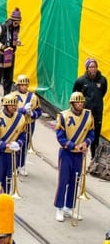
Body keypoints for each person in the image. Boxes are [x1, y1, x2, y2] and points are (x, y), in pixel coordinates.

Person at [54, 92, 95, 222]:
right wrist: (73, 146)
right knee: (63, 180)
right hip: (66, 153)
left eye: (81, 102)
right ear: (72, 103)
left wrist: (85, 143)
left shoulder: (88, 116)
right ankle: (59, 207)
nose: (80, 104)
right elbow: (60, 137)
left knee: (75, 181)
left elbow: (91, 134)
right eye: (77, 102)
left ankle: (69, 207)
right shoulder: (63, 116)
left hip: (79, 155)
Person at [0, 94, 26, 193]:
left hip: (12, 154)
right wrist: (6, 145)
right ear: (5, 105)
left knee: (8, 179)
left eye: (15, 105)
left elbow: (23, 135)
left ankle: (5, 199)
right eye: (11, 105)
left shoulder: (21, 118)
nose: (14, 107)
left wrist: (19, 143)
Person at [72, 58, 107, 159]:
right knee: (82, 135)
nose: (93, 69)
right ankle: (78, 155)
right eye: (91, 67)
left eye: (95, 67)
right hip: (84, 114)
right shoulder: (80, 81)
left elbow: (103, 92)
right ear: (87, 68)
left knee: (95, 137)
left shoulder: (102, 80)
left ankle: (93, 159)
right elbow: (75, 95)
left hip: (97, 113)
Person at [0, 8, 22, 110]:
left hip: (10, 56)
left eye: (19, 22)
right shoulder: (2, 28)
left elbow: (14, 39)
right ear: (11, 20)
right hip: (1, 55)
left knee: (8, 79)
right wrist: (1, 46)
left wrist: (17, 42)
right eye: (16, 22)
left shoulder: (16, 29)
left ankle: (7, 100)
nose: (17, 24)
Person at [12, 74, 42, 176]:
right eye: (22, 85)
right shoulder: (13, 96)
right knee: (15, 144)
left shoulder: (33, 97)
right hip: (16, 123)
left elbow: (39, 111)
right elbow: (11, 110)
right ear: (18, 85)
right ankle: (13, 165)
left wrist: (33, 114)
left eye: (26, 85)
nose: (24, 87)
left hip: (29, 124)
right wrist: (22, 110)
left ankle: (22, 165)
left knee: (25, 145)